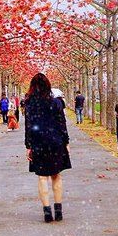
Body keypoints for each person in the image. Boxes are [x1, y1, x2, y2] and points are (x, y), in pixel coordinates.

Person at [25, 73, 72, 223]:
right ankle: (58, 211)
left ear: (33, 87)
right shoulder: (56, 103)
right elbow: (62, 124)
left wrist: (29, 146)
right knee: (56, 175)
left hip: (39, 142)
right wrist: (66, 142)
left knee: (42, 177)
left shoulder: (30, 104)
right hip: (56, 141)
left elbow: (29, 126)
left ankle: (47, 212)